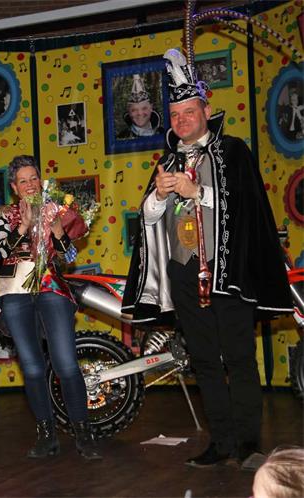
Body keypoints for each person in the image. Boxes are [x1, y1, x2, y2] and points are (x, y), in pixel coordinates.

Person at [122, 49, 292, 470]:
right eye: (175, 114)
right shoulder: (166, 161)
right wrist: (159, 195)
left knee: (238, 358)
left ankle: (248, 445)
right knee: (204, 362)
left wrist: (196, 192)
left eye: (188, 112)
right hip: (183, 275)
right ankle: (221, 441)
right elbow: (149, 220)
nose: (181, 120)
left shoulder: (233, 151)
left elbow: (247, 208)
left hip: (227, 272)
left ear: (206, 111)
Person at [0, 155, 101, 461]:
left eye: (34, 178)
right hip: (16, 293)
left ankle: (83, 433)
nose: (30, 185)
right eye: (22, 181)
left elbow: (67, 257)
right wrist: (24, 225)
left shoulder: (56, 210)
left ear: (41, 180)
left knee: (66, 364)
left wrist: (58, 229)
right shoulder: (2, 214)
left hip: (51, 288)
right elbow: (1, 252)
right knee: (33, 367)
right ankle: (46, 435)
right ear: (14, 187)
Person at [116, 73, 164, 139]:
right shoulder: (121, 138)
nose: (139, 113)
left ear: (151, 108)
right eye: (134, 110)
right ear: (128, 111)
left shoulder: (163, 133)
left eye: (144, 108)